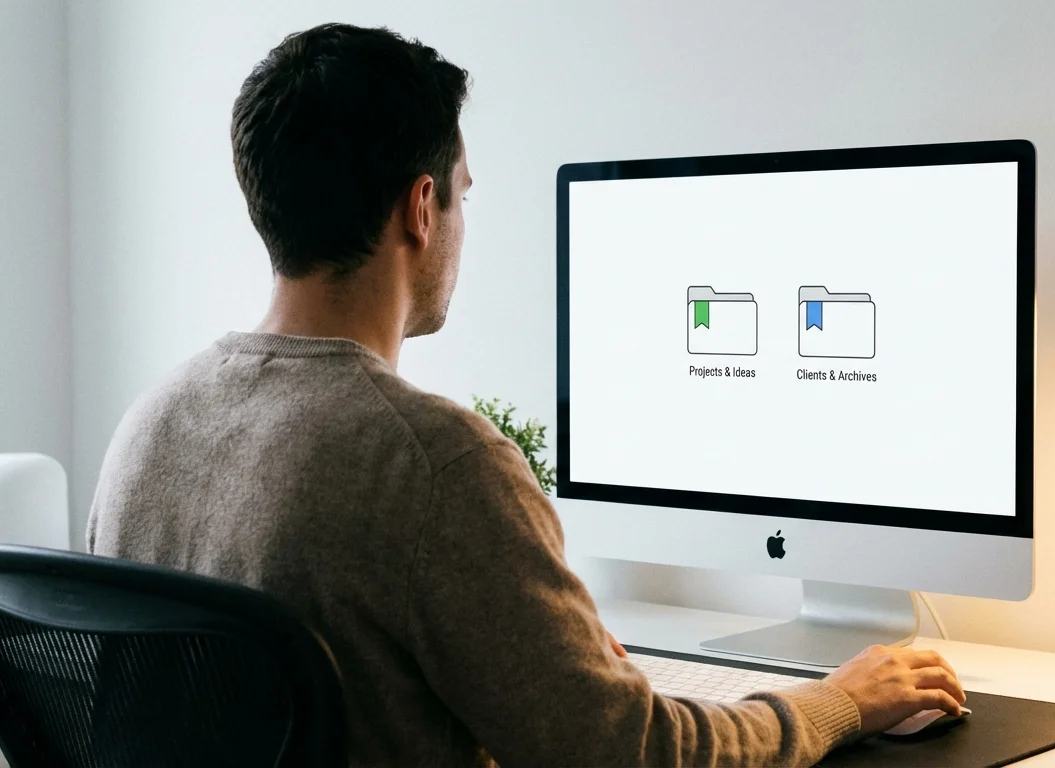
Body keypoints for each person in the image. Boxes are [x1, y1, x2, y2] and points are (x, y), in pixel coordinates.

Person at [87, 22, 965, 767]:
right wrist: (836, 704)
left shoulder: (146, 427)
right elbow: (630, 753)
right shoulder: (436, 465)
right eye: (463, 197)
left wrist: (553, 671)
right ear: (420, 209)